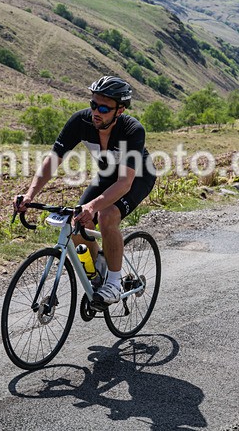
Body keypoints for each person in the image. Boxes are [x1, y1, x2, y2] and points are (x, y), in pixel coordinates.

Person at [15, 76, 156, 308]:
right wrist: (30, 195)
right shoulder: (81, 121)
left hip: (137, 178)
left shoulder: (132, 130)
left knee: (107, 215)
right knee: (77, 222)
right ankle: (100, 263)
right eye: (93, 104)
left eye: (104, 108)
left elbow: (124, 183)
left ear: (120, 110)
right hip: (107, 176)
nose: (96, 112)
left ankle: (113, 283)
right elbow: (52, 160)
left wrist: (93, 206)